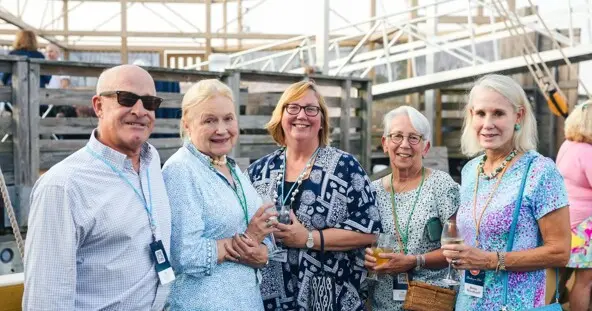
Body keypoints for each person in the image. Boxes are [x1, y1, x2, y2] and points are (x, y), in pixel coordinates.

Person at [23, 64, 172, 310]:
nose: (139, 110)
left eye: (149, 102)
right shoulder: (62, 186)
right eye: (126, 99)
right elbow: (46, 298)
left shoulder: (151, 162)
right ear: (99, 106)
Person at [247, 80, 382, 311]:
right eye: (293, 108)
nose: (302, 115)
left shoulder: (345, 167)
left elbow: (369, 231)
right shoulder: (259, 171)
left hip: (328, 295)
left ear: (321, 120)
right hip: (271, 294)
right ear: (281, 115)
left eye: (311, 109)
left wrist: (308, 238)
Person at [442, 74, 570, 310]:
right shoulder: (471, 170)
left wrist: (490, 260)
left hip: (515, 304)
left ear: (518, 116)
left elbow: (561, 252)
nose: (487, 123)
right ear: (471, 116)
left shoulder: (540, 171)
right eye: (480, 113)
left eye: (498, 113)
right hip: (468, 302)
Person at [162, 79, 277, 310]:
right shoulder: (181, 170)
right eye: (209, 120)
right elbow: (185, 255)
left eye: (228, 118)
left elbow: (266, 237)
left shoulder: (231, 167)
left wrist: (263, 253)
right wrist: (249, 239)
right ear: (187, 123)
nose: (222, 130)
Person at [364, 106, 459, 311]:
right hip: (383, 302)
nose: (404, 145)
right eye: (397, 136)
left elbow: (458, 249)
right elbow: (361, 240)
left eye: (414, 138)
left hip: (430, 300)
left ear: (425, 147)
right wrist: (365, 257)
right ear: (385, 143)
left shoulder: (442, 186)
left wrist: (415, 261)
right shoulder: (371, 192)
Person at [556, 101, 592, 311]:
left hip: (566, 220)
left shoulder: (567, 146)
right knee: (585, 283)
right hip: (586, 227)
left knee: (559, 278)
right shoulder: (588, 152)